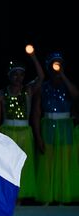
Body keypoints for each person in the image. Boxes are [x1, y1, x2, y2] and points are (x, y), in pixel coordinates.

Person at [0, 50, 44, 202]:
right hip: (8, 131)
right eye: (15, 74)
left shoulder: (27, 91)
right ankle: (8, 196)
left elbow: (41, 77)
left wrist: (33, 57)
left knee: (24, 166)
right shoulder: (3, 93)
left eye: (21, 74)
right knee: (7, 165)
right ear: (9, 75)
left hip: (24, 132)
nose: (18, 78)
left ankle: (21, 196)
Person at [32, 52, 79, 204]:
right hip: (48, 125)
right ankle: (47, 196)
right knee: (48, 160)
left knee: (64, 161)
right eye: (54, 64)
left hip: (65, 126)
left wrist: (63, 76)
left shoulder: (68, 85)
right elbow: (37, 112)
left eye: (59, 64)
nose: (56, 67)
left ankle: (62, 196)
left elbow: (76, 96)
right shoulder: (43, 87)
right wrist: (38, 136)